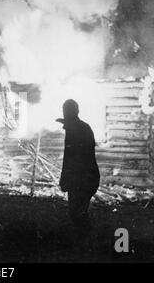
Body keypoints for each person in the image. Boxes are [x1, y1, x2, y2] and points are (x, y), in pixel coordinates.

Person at [56, 99, 100, 235]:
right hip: (87, 178)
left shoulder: (74, 131)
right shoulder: (82, 127)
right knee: (78, 213)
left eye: (66, 112)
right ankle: (84, 242)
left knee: (76, 214)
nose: (65, 115)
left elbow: (71, 159)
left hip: (81, 179)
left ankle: (84, 244)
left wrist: (64, 180)